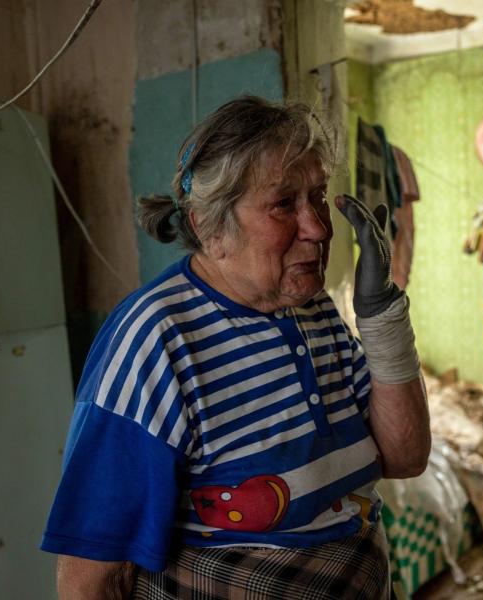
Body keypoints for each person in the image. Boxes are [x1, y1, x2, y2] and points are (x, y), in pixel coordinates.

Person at [41, 96, 430, 599]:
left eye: (318, 196)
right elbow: (92, 575)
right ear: (209, 226)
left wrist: (382, 320)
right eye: (283, 205)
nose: (318, 228)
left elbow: (406, 457)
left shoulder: (314, 311)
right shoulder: (155, 341)